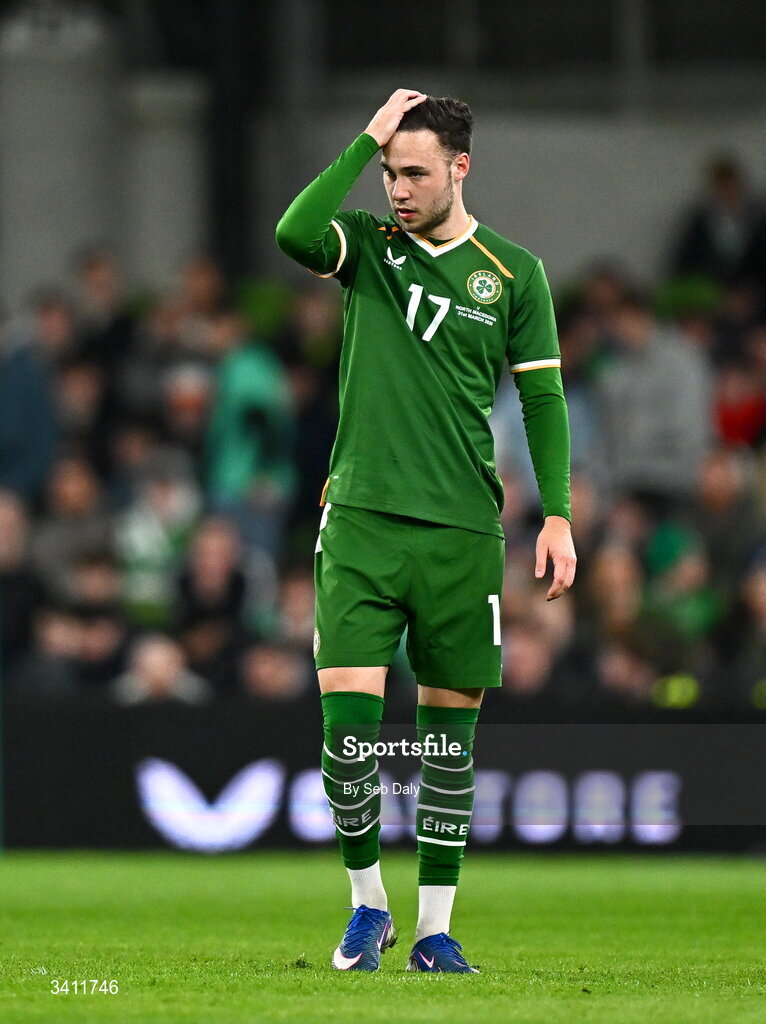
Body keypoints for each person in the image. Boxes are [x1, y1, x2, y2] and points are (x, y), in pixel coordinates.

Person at [276, 89, 575, 973]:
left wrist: (557, 512)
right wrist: (363, 137)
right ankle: (368, 906)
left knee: (448, 744)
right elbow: (295, 232)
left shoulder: (513, 273)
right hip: (362, 520)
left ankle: (436, 931)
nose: (396, 189)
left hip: (462, 533)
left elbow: (545, 399)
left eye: (413, 172)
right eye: (387, 172)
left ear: (459, 168)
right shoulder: (365, 251)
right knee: (349, 741)